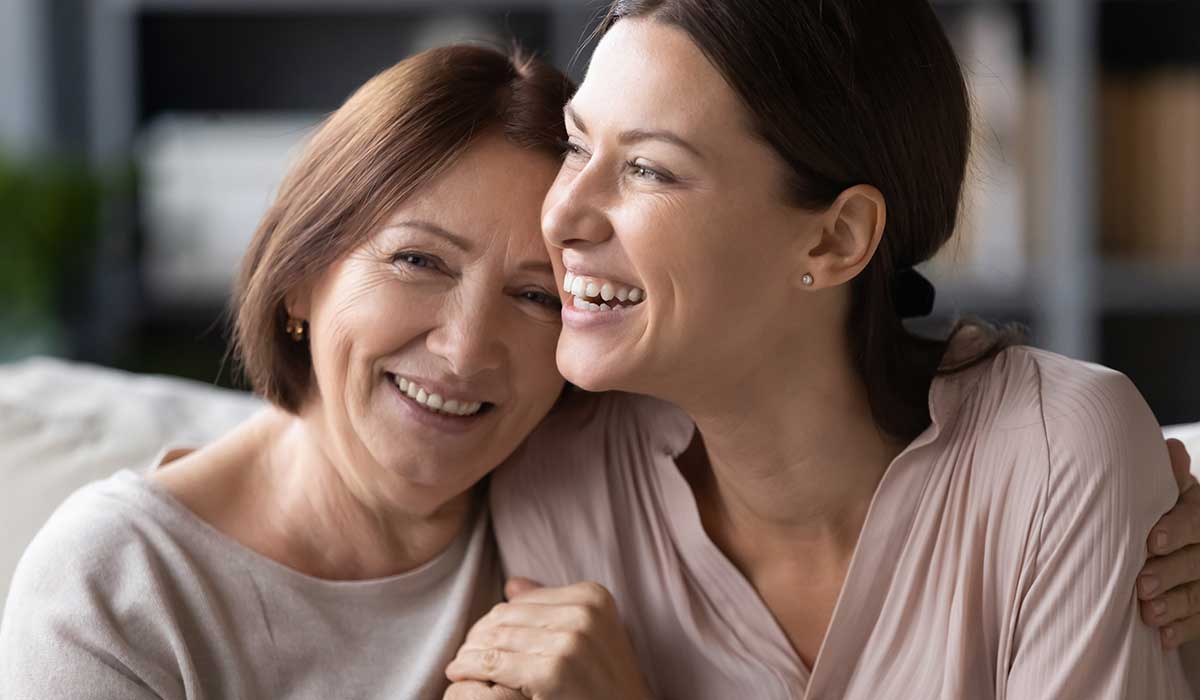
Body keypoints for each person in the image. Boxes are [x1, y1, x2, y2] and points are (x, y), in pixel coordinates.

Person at [446, 1, 1200, 698]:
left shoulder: (1054, 456)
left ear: (835, 238)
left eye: (648, 168)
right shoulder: (562, 480)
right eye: (576, 145)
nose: (564, 214)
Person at [0, 45, 572, 700]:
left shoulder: (595, 518)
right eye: (419, 261)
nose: (466, 349)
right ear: (301, 275)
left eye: (539, 297)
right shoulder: (116, 584)